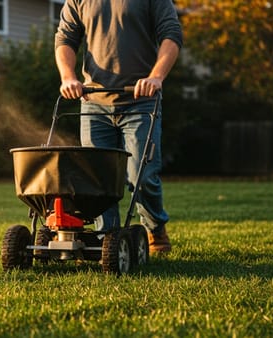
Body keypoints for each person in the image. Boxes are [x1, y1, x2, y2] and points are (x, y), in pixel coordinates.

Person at [54, 0, 183, 253]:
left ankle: (155, 228)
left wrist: (156, 77)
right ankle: (108, 240)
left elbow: (171, 35)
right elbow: (65, 39)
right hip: (94, 103)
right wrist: (68, 77)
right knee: (98, 178)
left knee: (142, 176)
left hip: (141, 102)